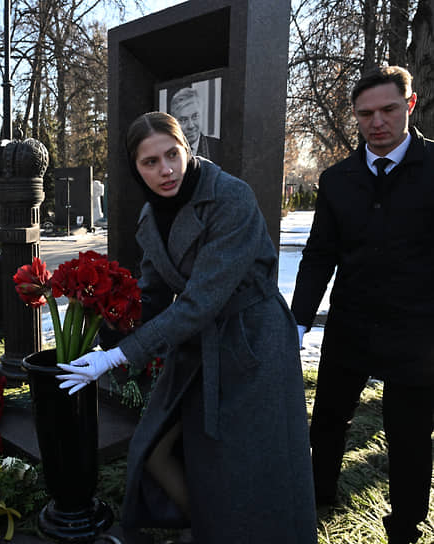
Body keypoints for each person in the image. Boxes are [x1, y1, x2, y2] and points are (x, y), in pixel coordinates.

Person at [57, 112, 317, 543]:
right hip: (198, 342)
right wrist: (105, 325)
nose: (165, 170)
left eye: (172, 155)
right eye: (150, 162)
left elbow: (200, 301)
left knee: (255, 464)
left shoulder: (230, 197)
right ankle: (211, 527)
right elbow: (154, 295)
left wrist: (119, 356)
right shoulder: (150, 217)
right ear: (135, 168)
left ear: (186, 148)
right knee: (157, 447)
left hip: (252, 341)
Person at [292, 65, 434, 544]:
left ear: (409, 105)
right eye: (365, 113)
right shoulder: (337, 179)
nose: (377, 122)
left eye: (389, 110)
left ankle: (406, 527)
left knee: (409, 436)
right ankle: (318, 495)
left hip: (417, 332)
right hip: (350, 325)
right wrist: (297, 321)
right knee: (328, 419)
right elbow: (319, 255)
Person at [169, 87, 221, 163]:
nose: (191, 126)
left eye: (195, 116)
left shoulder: (219, 147)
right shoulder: (166, 151)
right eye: (183, 120)